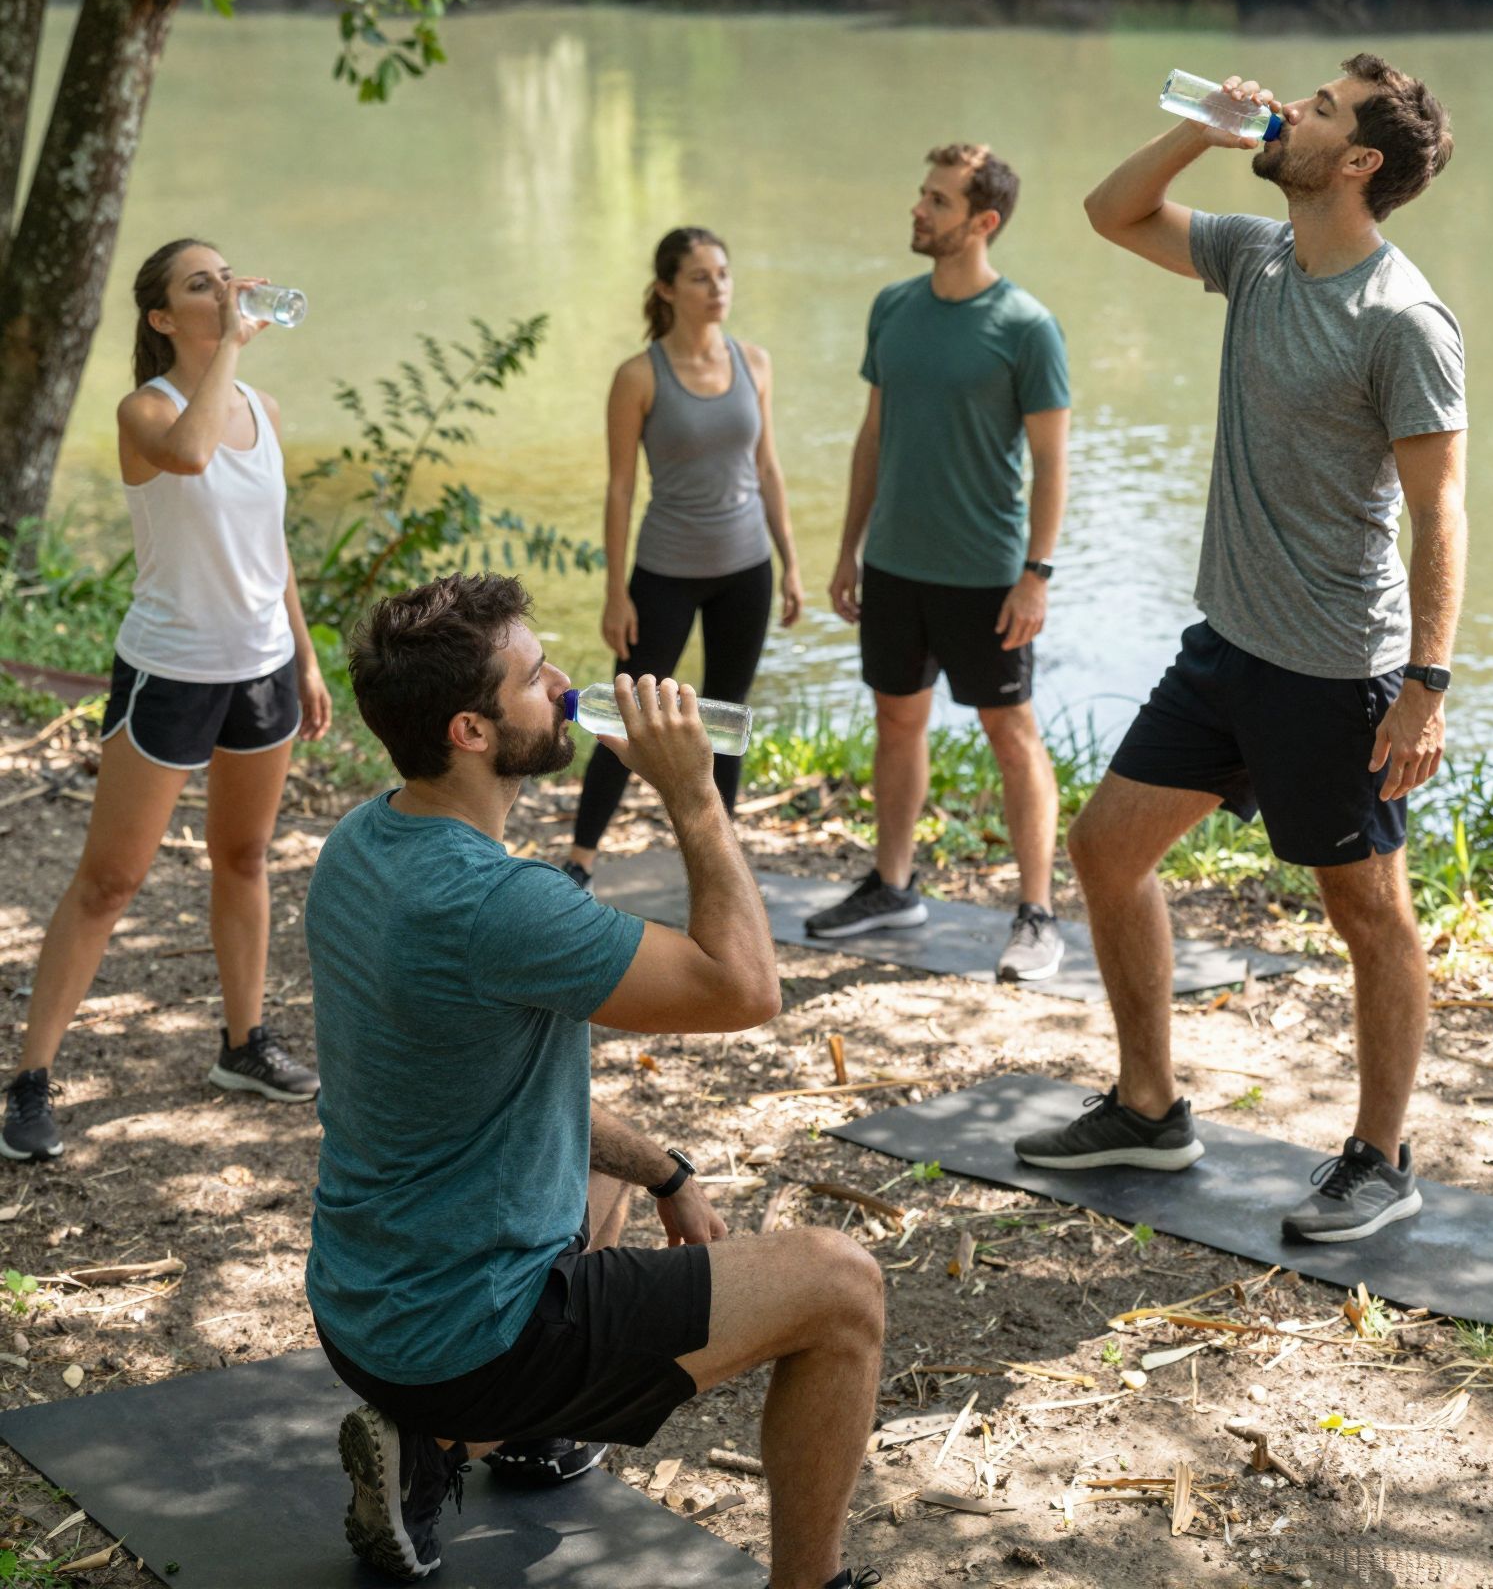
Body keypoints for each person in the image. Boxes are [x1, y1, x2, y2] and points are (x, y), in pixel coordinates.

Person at [306, 572, 883, 1589]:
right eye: (536, 677)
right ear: (471, 731)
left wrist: (667, 1171)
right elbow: (747, 985)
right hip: (466, 1339)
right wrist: (695, 791)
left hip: (360, 1306)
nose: (569, 683)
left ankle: (453, 1447)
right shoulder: (500, 904)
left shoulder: (363, 841)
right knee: (843, 1286)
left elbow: (487, 1088)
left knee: (608, 1171)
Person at [1017, 56, 1463, 1246]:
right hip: (1225, 645)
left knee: (1366, 909)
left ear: (1360, 162)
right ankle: (1151, 1105)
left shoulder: (1402, 318)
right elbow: (1111, 214)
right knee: (1108, 849)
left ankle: (1381, 1156)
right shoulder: (1257, 254)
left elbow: (1443, 511)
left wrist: (1424, 685)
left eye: (1319, 109)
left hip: (1337, 668)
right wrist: (1201, 132)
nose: (1292, 109)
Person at [1, 240, 331, 1165]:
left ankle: (242, 1044)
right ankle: (29, 1081)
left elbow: (272, 546)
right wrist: (232, 341)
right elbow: (188, 455)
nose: (227, 290)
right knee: (110, 882)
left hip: (260, 667)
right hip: (171, 669)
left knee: (244, 855)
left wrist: (304, 657)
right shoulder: (148, 409)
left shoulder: (261, 409)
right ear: (161, 319)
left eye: (229, 276)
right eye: (203, 284)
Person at [815, 143, 1071, 983]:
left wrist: (1037, 573)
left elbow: (1052, 462)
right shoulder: (893, 307)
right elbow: (872, 436)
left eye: (937, 200)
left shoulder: (1026, 328)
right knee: (897, 720)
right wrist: (850, 548)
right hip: (895, 564)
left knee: (1012, 732)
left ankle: (1036, 914)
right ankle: (893, 886)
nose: (918, 210)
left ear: (982, 222)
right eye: (921, 194)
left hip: (986, 574)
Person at [563, 227, 801, 886]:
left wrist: (791, 564)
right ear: (667, 289)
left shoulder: (754, 361)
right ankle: (581, 859)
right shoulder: (639, 376)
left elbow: (769, 469)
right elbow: (619, 488)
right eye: (700, 277)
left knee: (727, 713)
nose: (717, 287)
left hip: (746, 568)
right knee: (624, 714)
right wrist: (617, 591)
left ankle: (717, 864)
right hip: (664, 572)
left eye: (723, 274)